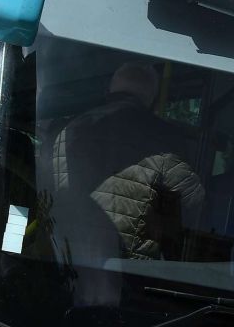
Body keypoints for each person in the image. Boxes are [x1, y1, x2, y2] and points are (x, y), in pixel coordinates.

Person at [51, 61, 206, 260]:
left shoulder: (71, 130)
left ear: (110, 88)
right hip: (129, 265)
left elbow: (54, 191)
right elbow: (193, 202)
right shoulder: (165, 138)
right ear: (152, 97)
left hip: (70, 255)